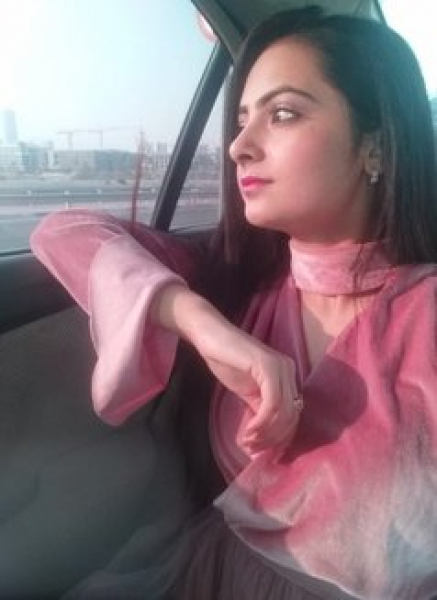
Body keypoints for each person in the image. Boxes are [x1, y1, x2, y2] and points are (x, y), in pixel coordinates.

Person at [30, 6, 437, 600]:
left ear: (372, 145)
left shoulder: (425, 312)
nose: (239, 146)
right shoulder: (237, 282)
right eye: (242, 120)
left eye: (283, 113)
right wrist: (201, 323)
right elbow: (61, 232)